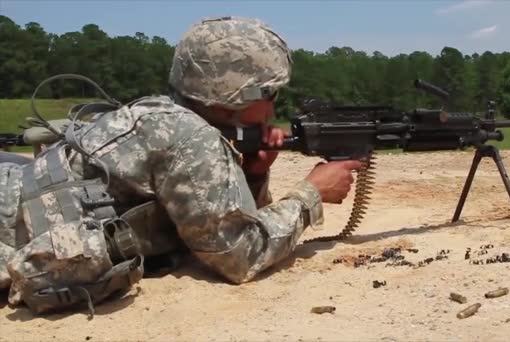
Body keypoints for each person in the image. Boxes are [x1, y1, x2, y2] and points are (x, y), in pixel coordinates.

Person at [0, 16, 361, 315]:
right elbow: (238, 255)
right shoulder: (191, 137)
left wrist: (253, 172)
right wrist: (311, 194)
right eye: (270, 95)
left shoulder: (168, 117)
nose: (272, 109)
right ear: (235, 95)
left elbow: (211, 220)